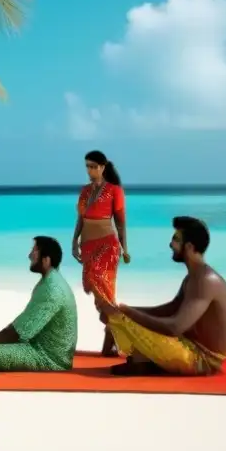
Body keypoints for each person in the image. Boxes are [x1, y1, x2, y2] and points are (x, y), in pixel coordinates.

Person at [95, 216, 226, 377]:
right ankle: (148, 365)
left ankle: (148, 365)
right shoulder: (194, 276)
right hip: (190, 346)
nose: (170, 244)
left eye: (176, 240)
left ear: (189, 247)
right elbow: (169, 309)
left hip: (202, 360)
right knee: (117, 316)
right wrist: (123, 310)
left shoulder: (205, 280)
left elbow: (174, 327)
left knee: (119, 318)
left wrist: (128, 313)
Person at [0, 236, 78, 372]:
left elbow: (18, 333)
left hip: (47, 358)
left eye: (34, 251)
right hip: (32, 345)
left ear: (46, 260)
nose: (29, 255)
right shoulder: (49, 280)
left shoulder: (52, 289)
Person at [71, 150, 129, 357]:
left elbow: (121, 222)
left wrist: (125, 248)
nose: (89, 170)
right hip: (87, 245)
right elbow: (80, 219)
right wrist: (74, 240)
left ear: (103, 167)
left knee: (102, 288)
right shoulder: (85, 191)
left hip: (107, 246)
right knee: (97, 293)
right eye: (87, 166)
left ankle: (117, 329)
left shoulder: (115, 191)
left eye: (93, 166)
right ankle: (112, 333)